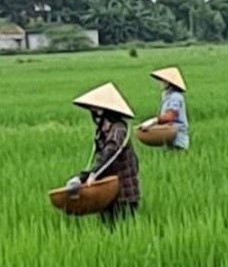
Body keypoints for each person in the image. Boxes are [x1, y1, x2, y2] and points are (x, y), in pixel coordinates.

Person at [66, 82, 140, 226]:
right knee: (107, 226)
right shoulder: (102, 129)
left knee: (123, 228)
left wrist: (90, 175)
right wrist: (84, 176)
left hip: (124, 190)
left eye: (96, 108)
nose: (93, 111)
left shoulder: (119, 129)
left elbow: (110, 153)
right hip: (108, 189)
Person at [141, 66, 189, 151]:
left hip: (177, 139)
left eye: (161, 80)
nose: (159, 83)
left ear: (168, 82)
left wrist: (154, 121)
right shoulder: (167, 96)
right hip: (169, 137)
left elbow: (171, 115)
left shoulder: (176, 97)